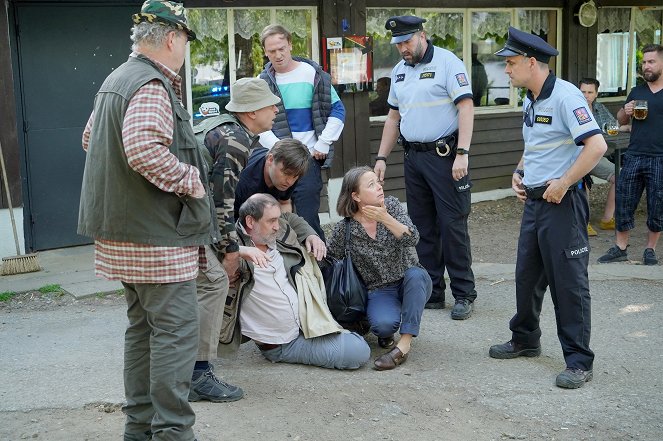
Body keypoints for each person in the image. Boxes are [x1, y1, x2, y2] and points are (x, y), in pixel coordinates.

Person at [77, 2, 213, 439]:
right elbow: (141, 147)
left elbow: (89, 138)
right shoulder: (153, 84)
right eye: (187, 40)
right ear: (173, 38)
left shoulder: (116, 79)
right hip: (157, 235)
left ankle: (138, 429)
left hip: (124, 233)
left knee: (142, 331)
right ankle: (173, 432)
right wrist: (190, 179)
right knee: (175, 332)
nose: (186, 48)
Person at [488, 27, 607, 389]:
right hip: (535, 203)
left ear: (532, 62)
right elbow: (535, 143)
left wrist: (565, 181)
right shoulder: (531, 97)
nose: (506, 70)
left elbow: (597, 146)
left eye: (510, 63)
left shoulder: (567, 97)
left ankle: (578, 360)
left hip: (563, 204)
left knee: (568, 284)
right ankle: (525, 338)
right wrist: (520, 171)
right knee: (527, 277)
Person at [374, 15, 477, 319]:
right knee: (422, 227)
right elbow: (393, 118)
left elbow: (466, 107)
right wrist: (381, 157)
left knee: (452, 225)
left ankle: (463, 292)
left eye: (406, 41)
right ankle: (433, 291)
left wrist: (463, 153)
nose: (402, 48)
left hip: (445, 156)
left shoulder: (448, 63)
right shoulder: (399, 71)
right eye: (398, 44)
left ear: (422, 35)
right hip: (414, 158)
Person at [189, 77, 280, 403]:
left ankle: (186, 370)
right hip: (180, 219)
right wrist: (230, 251)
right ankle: (197, 375)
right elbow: (221, 203)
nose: (275, 108)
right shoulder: (237, 140)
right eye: (270, 104)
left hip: (179, 215)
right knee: (213, 282)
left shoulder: (221, 126)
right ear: (252, 111)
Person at [229, 193, 370, 369]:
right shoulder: (231, 251)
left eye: (277, 220)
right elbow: (208, 253)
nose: (277, 226)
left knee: (359, 317)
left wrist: (311, 236)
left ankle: (343, 329)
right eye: (271, 221)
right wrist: (240, 251)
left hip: (309, 322)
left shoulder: (275, 233)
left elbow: (292, 219)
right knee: (359, 351)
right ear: (250, 222)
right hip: (284, 344)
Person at [326, 166, 432, 370]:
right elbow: (329, 260)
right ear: (355, 196)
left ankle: (403, 346)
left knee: (416, 275)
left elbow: (414, 239)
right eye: (371, 184)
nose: (379, 187)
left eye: (378, 182)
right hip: (379, 289)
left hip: (410, 280)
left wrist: (385, 218)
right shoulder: (344, 229)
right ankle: (384, 330)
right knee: (382, 326)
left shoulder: (391, 206)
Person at [258, 24, 346, 240]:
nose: (277, 55)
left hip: (308, 159)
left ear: (290, 45)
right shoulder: (263, 82)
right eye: (271, 51)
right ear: (265, 52)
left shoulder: (313, 74)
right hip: (277, 161)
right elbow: (258, 123)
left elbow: (338, 109)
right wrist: (278, 149)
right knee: (275, 221)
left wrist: (323, 143)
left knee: (308, 221)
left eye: (281, 48)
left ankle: (320, 270)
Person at [597, 44, 663, 266]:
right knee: (624, 200)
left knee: (657, 204)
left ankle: (650, 250)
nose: (646, 66)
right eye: (644, 62)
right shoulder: (637, 91)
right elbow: (621, 120)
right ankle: (620, 247)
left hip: (660, 157)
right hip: (634, 154)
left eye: (651, 61)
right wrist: (625, 112)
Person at [578, 78, 621, 235]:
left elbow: (612, 126)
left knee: (620, 176)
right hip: (575, 156)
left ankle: (607, 219)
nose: (586, 95)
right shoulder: (572, 108)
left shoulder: (599, 108)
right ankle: (584, 222)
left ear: (596, 94)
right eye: (583, 92)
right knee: (583, 180)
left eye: (590, 92)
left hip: (596, 155)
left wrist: (624, 126)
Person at [233, 138, 310, 218]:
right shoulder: (243, 183)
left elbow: (284, 202)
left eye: (295, 177)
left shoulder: (293, 171)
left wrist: (284, 226)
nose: (290, 182)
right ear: (270, 159)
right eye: (286, 173)